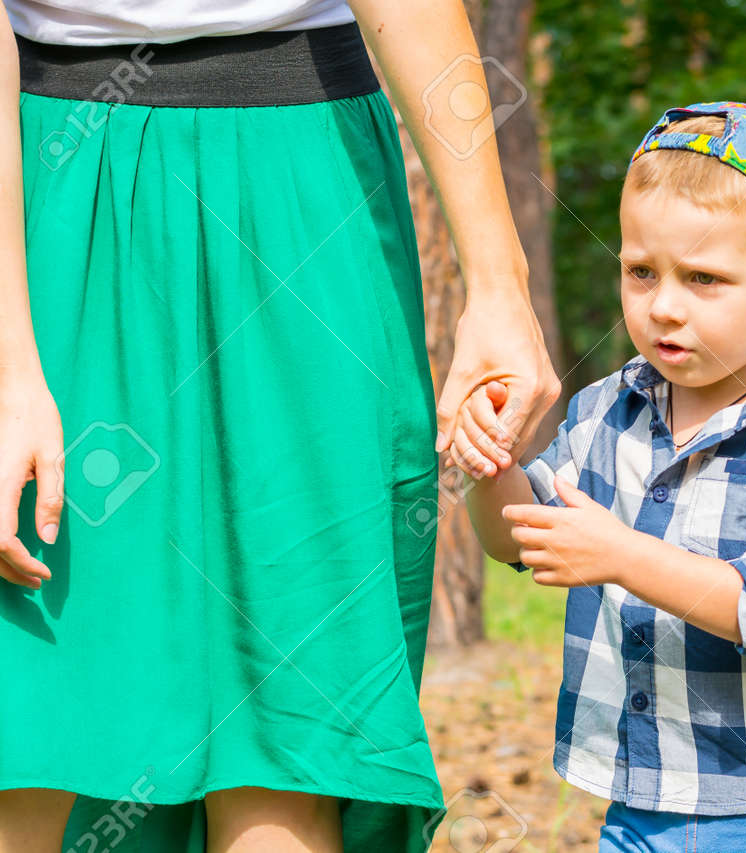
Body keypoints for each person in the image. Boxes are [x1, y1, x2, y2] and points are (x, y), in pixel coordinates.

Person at [0, 0, 559, 850]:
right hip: (50, 181)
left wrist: (498, 280)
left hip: (303, 169)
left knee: (293, 736)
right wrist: (9, 367)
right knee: (34, 725)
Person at [456, 100, 746, 851]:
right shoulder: (610, 409)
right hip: (639, 802)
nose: (664, 307)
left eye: (704, 279)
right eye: (642, 271)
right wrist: (491, 467)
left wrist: (621, 556)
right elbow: (518, 537)